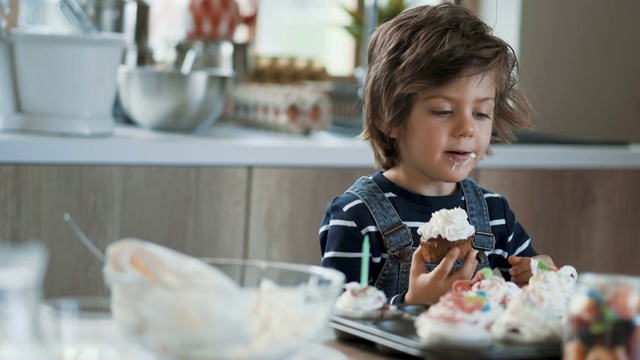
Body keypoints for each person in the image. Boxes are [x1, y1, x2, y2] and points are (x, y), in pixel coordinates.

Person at [319, 3, 555, 305]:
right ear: (388, 118)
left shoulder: (496, 215)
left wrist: (540, 280)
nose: (466, 129)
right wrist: (409, 303)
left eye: (481, 113)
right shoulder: (355, 217)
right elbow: (336, 320)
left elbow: (523, 301)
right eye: (443, 111)